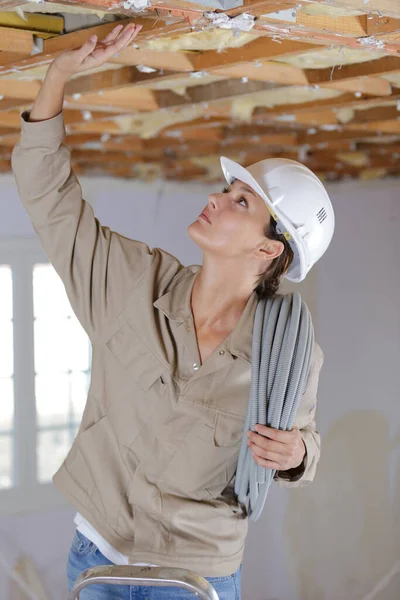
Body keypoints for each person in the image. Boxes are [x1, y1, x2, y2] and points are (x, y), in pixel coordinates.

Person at [11, 23, 333, 600]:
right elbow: (47, 195)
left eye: (240, 202)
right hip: (98, 556)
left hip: (195, 574)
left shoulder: (288, 347)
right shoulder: (132, 283)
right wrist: (58, 74)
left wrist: (296, 453)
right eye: (225, 189)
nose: (214, 198)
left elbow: (303, 441)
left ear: (268, 249)